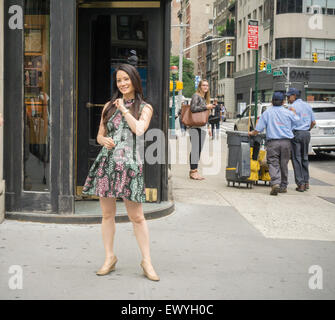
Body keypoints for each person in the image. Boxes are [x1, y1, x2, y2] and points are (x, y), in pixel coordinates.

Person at [82, 64, 159, 281]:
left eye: (126, 79)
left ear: (135, 80)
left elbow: (139, 130)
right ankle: (109, 257)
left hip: (130, 165)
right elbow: (99, 134)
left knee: (137, 217)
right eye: (119, 80)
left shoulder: (145, 107)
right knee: (107, 214)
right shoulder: (108, 105)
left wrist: (124, 109)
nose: (122, 84)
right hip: (107, 163)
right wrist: (102, 140)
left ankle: (147, 261)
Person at [248, 92, 300, 196]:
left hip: (273, 143)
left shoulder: (267, 112)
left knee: (273, 163)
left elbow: (258, 129)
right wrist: (294, 113)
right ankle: (284, 186)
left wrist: (251, 133)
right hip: (286, 142)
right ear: (283, 102)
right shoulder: (288, 112)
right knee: (284, 164)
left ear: (271, 102)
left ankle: (275, 183)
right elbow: (297, 122)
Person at [286, 88, 316, 192]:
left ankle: (300, 184)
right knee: (305, 158)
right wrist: (307, 129)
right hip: (306, 134)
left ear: (294, 96)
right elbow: (313, 122)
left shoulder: (292, 107)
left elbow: (288, 122)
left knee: (296, 158)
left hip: (296, 134)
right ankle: (306, 182)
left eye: (289, 96)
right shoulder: (308, 106)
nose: (287, 98)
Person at [188, 80, 215, 180]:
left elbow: (204, 116)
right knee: (195, 149)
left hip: (202, 127)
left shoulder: (204, 98)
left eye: (207, 85)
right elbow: (193, 108)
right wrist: (206, 106)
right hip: (195, 127)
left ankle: (194, 171)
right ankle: (193, 171)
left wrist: (208, 127)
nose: (205, 87)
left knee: (198, 150)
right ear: (199, 86)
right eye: (203, 85)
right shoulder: (196, 96)